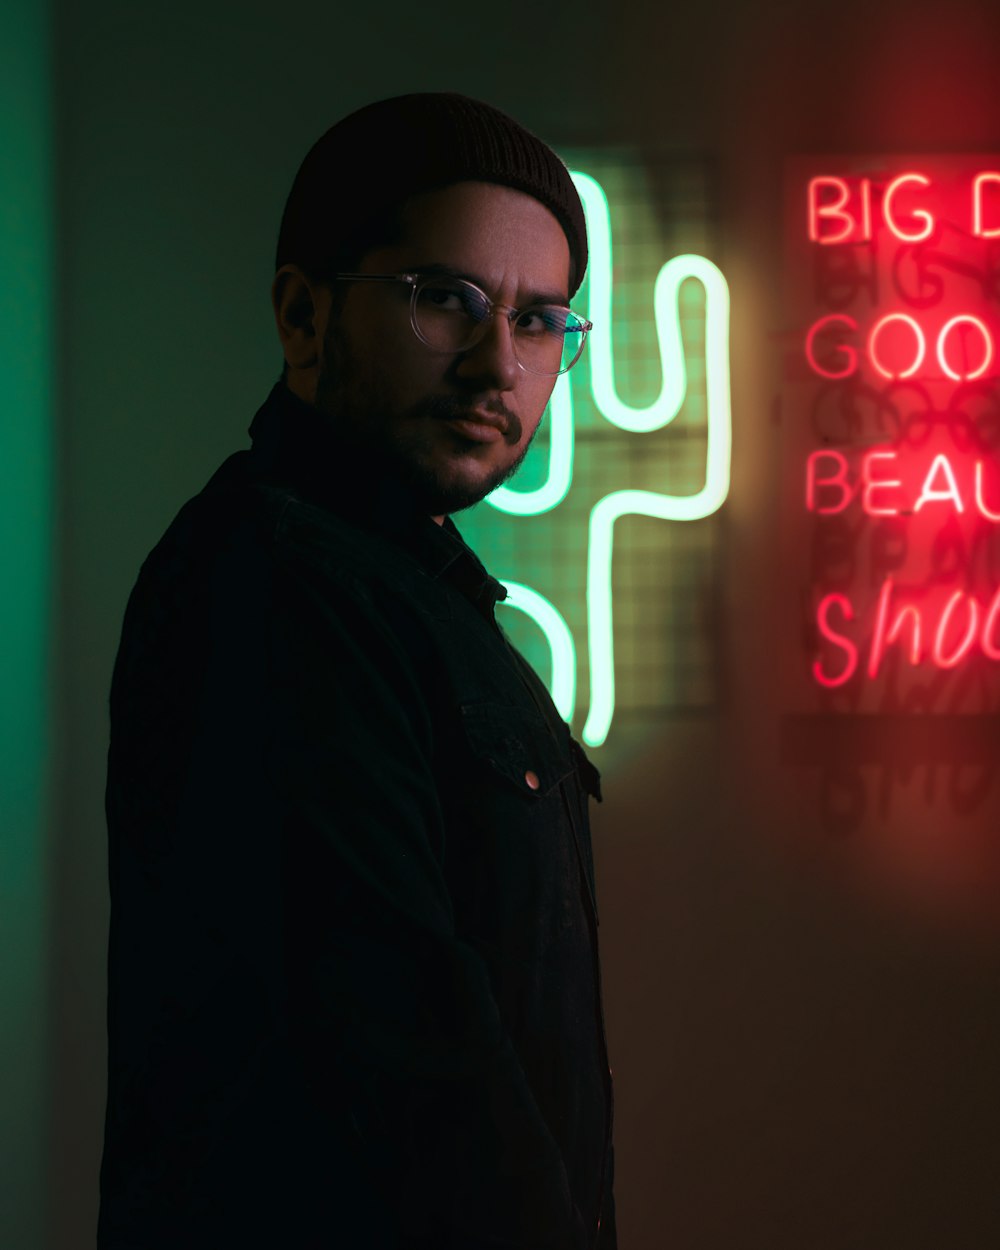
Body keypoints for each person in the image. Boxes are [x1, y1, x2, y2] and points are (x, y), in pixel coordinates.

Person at [98, 92, 615, 1250]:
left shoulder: (415, 588)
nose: (499, 363)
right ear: (301, 314)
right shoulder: (273, 583)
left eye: (540, 321)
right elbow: (409, 1062)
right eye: (448, 299)